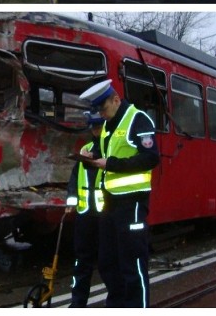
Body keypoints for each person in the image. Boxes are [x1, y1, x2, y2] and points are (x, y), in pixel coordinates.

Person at [79, 79, 159, 308]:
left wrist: (110, 164)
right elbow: (103, 157)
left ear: (116, 99)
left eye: (103, 108)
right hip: (111, 203)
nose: (101, 115)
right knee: (107, 262)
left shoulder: (138, 119)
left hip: (132, 203)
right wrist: (89, 158)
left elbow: (151, 157)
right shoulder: (107, 126)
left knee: (132, 263)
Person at [66, 111, 106, 308]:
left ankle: (117, 304)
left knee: (108, 263)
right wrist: (71, 201)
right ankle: (77, 304)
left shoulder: (110, 149)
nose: (95, 130)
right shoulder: (85, 148)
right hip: (85, 215)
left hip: (105, 216)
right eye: (93, 126)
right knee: (82, 262)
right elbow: (75, 178)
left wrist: (95, 159)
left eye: (99, 126)